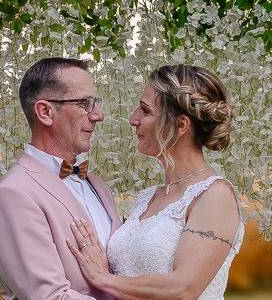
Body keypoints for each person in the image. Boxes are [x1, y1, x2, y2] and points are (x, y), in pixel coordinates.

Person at [68, 64, 243, 300]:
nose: (133, 119)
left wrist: (104, 279)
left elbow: (183, 288)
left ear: (180, 125)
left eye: (145, 111)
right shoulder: (146, 198)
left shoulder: (215, 195)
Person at [0, 57, 122, 300]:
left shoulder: (97, 185)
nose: (98, 115)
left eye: (95, 103)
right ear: (45, 112)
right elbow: (50, 297)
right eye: (84, 103)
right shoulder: (13, 196)